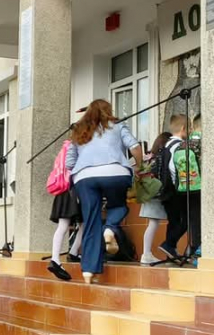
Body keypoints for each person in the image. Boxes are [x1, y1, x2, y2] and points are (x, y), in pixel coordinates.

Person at [65, 99, 144, 284]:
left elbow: (69, 163)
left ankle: (88, 271)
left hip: (84, 177)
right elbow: (135, 147)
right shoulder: (117, 125)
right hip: (115, 171)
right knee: (118, 206)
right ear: (108, 111)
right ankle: (109, 229)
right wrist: (139, 166)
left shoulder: (78, 130)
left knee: (91, 221)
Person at [160, 115, 201, 262]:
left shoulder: (166, 144)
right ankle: (169, 244)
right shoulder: (179, 146)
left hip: (166, 191)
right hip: (176, 190)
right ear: (184, 128)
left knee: (174, 221)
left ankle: (170, 249)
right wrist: (178, 184)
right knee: (186, 220)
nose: (190, 132)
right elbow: (174, 167)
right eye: (189, 128)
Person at [138, 133, 172, 265]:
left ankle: (146, 253)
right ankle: (146, 254)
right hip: (155, 195)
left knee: (153, 223)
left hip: (147, 193)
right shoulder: (159, 157)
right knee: (153, 223)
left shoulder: (149, 157)